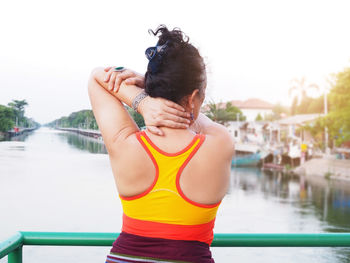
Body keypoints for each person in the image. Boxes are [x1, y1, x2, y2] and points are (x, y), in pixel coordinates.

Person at [88, 25, 234, 263]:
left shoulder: (125, 143)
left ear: (154, 86)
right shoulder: (220, 143)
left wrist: (142, 100)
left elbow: (97, 77)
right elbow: (196, 118)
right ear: (194, 96)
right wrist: (155, 90)